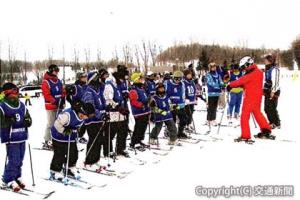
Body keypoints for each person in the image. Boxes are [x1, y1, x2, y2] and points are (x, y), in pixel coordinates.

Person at [227, 56, 272, 143]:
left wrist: (230, 85)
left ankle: (245, 135)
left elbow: (242, 80)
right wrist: (241, 85)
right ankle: (266, 129)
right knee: (257, 113)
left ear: (248, 64)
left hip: (250, 97)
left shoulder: (251, 74)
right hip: (257, 97)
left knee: (244, 116)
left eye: (244, 67)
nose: (243, 69)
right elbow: (249, 83)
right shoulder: (258, 72)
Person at [49, 101, 95, 180]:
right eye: (88, 116)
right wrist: (64, 130)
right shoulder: (67, 115)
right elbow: (57, 124)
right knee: (59, 154)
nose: (89, 117)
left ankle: (69, 169)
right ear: (83, 113)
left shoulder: (82, 117)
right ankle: (55, 171)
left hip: (70, 137)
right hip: (58, 136)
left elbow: (77, 126)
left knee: (73, 154)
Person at [0, 83, 32, 192]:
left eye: (16, 91)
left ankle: (17, 176)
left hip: (22, 135)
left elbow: (27, 116)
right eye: (14, 91)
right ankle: (7, 179)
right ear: (7, 92)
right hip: (11, 137)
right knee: (14, 159)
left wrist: (28, 120)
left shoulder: (21, 104)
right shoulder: (2, 105)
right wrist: (8, 120)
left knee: (20, 159)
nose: (16, 94)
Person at [81, 71, 107, 170]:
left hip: (99, 120)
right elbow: (90, 107)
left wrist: (106, 110)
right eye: (98, 78)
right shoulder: (89, 91)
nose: (100, 80)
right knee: (93, 139)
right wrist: (100, 114)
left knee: (99, 140)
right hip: (92, 120)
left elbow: (102, 102)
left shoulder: (99, 90)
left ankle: (96, 159)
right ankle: (89, 161)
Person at [103, 71, 130, 157]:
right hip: (112, 112)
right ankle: (108, 151)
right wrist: (117, 107)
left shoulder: (117, 84)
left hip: (120, 111)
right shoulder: (109, 85)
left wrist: (125, 97)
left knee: (123, 130)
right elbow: (108, 100)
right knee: (111, 132)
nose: (122, 81)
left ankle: (120, 148)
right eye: (121, 79)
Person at [41, 64, 65, 150]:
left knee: (59, 123)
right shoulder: (46, 82)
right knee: (51, 124)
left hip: (59, 105)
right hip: (51, 106)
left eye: (58, 71)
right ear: (51, 71)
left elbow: (63, 90)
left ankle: (57, 139)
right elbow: (46, 94)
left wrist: (63, 99)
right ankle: (47, 141)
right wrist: (54, 100)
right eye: (55, 71)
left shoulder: (58, 81)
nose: (57, 72)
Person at [129, 72, 151, 150]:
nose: (142, 80)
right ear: (136, 80)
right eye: (140, 79)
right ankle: (134, 142)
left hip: (145, 111)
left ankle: (140, 140)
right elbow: (133, 101)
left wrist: (148, 102)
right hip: (138, 112)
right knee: (138, 127)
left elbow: (145, 98)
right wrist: (142, 104)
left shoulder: (142, 88)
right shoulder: (134, 90)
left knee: (143, 127)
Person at [65, 71, 88, 144]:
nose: (85, 78)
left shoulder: (85, 86)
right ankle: (73, 137)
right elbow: (67, 96)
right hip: (77, 108)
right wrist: (73, 103)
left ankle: (80, 136)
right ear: (80, 78)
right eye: (83, 77)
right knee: (76, 123)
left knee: (84, 123)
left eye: (85, 77)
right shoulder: (75, 86)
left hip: (84, 107)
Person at [165, 70, 188, 138]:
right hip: (171, 105)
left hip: (180, 105)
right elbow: (165, 94)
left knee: (184, 119)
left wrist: (184, 101)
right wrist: (168, 102)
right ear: (173, 77)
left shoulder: (182, 84)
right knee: (172, 120)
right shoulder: (167, 83)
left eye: (180, 78)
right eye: (176, 78)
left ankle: (180, 132)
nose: (178, 80)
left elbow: (183, 93)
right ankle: (169, 132)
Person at [263, 54, 281, 129]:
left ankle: (276, 123)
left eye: (266, 60)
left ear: (270, 61)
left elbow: (276, 81)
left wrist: (273, 91)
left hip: (273, 90)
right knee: (266, 108)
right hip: (267, 90)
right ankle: (271, 122)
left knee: (272, 108)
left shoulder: (275, 69)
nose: (264, 61)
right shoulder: (267, 68)